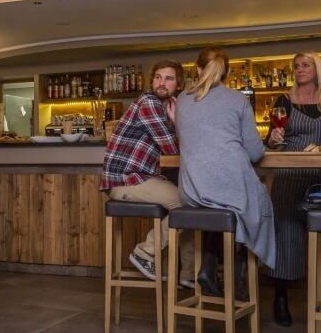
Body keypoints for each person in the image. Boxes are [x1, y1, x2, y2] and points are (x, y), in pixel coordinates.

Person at [176, 47, 275, 298]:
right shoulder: (237, 99)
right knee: (257, 202)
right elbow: (255, 153)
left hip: (192, 191)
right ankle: (239, 277)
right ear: (228, 72)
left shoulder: (183, 100)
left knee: (228, 207)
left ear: (197, 70)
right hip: (228, 186)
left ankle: (209, 265)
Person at [265, 51, 321, 326]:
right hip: (289, 175)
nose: (300, 70)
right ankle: (281, 298)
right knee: (286, 235)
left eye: (305, 65)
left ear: (318, 69)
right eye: (296, 66)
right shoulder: (285, 101)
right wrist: (275, 138)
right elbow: (271, 141)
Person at [100, 60, 194, 285]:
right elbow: (172, 149)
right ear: (152, 81)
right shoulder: (148, 102)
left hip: (139, 177)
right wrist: (176, 121)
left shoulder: (161, 107)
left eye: (169, 79)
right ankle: (146, 251)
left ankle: (189, 275)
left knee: (191, 205)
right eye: (158, 77)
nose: (162, 82)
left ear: (178, 84)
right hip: (125, 180)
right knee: (188, 204)